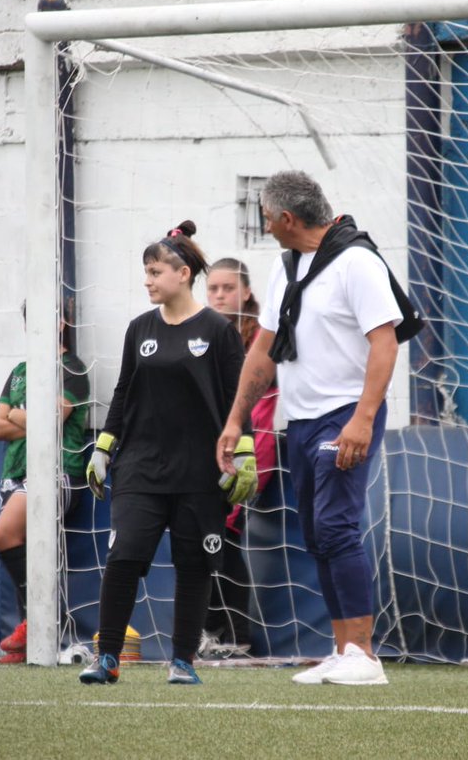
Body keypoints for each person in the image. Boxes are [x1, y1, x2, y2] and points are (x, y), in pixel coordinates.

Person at [216, 170, 421, 686]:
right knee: (316, 534)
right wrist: (236, 419)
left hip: (345, 415)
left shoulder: (357, 262)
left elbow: (386, 342)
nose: (264, 227)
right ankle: (344, 649)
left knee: (336, 528)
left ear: (288, 218)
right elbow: (263, 349)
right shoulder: (285, 267)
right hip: (300, 421)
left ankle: (366, 656)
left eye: (266, 218)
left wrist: (363, 419)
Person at [79, 221, 254, 686]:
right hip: (140, 466)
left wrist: (245, 453)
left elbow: (239, 398)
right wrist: (103, 446)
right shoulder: (140, 329)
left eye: (155, 271)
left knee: (193, 566)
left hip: (200, 471)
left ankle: (182, 661)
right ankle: (108, 658)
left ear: (182, 273)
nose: (147, 280)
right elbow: (123, 392)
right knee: (123, 558)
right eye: (145, 272)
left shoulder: (218, 331)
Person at [0, 302, 90, 664]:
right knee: (22, 547)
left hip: (59, 472)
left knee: (3, 533)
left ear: (62, 321)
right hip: (15, 472)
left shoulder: (72, 368)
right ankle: (31, 639)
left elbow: (52, 420)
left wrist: (17, 414)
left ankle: (41, 622)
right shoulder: (19, 371)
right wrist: (26, 417)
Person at [200, 258, 280, 659]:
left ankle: (235, 636)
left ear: (246, 291)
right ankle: (212, 632)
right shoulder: (202, 335)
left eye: (227, 288)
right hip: (209, 444)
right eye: (212, 288)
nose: (219, 295)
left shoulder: (258, 338)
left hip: (252, 445)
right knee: (203, 536)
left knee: (224, 534)